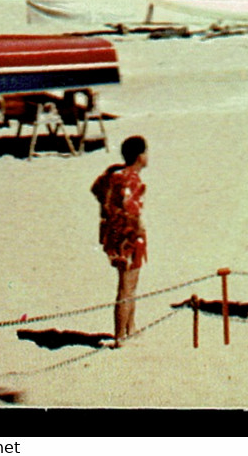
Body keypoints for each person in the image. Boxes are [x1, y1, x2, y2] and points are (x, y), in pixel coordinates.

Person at [91, 135, 149, 347]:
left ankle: (129, 328)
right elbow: (130, 211)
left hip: (117, 237)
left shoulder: (114, 175)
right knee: (127, 287)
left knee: (130, 285)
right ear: (139, 156)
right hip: (128, 237)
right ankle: (120, 336)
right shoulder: (131, 180)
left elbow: (96, 189)